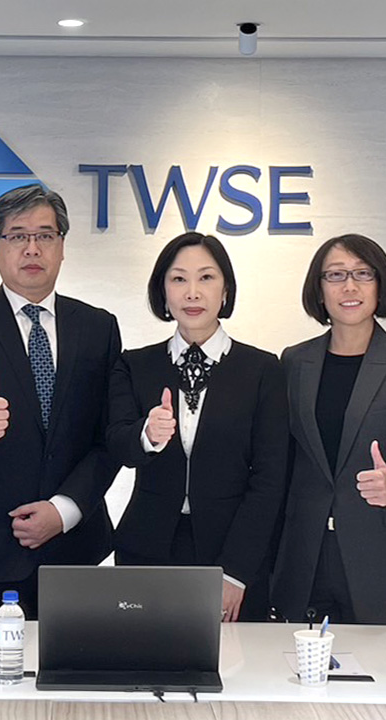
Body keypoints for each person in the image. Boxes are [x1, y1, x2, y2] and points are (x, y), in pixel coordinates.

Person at [0, 185, 122, 620]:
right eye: (17, 236)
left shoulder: (98, 327)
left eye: (45, 235)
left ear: (62, 246)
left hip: (74, 553)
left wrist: (64, 510)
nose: (32, 248)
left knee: (75, 667)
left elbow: (111, 436)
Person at [107, 232, 288, 622]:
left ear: (225, 290)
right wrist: (146, 435)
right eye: (179, 279)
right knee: (142, 654)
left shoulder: (262, 369)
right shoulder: (135, 364)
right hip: (146, 550)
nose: (192, 292)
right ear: (163, 292)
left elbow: (271, 478)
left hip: (233, 551)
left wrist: (236, 572)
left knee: (235, 657)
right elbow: (117, 442)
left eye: (206, 277)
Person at [271, 234, 386, 624]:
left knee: (382, 662)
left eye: (363, 274)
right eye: (335, 275)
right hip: (304, 557)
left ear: (380, 285)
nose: (349, 286)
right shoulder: (293, 362)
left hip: (380, 556)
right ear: (319, 290)